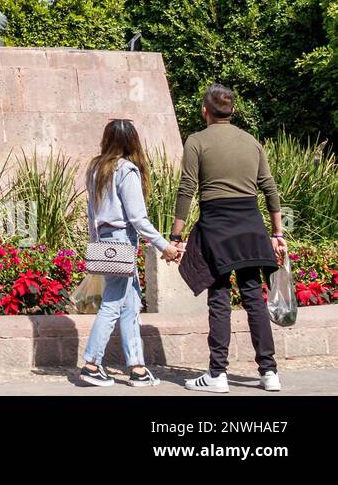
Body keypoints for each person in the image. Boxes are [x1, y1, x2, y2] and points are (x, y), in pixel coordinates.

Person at [171, 84, 285, 393]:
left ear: (204, 111)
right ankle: (269, 372)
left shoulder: (196, 141)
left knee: (219, 299)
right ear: (232, 111)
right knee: (253, 298)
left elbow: (186, 189)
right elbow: (270, 189)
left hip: (217, 227)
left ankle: (217, 374)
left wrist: (176, 235)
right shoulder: (251, 142)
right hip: (251, 225)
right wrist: (278, 233)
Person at [78, 119, 180, 387]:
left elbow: (91, 213)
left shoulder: (97, 169)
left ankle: (137, 367)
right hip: (122, 240)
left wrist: (95, 244)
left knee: (131, 303)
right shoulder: (126, 170)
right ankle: (91, 363)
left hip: (105, 239)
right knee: (113, 303)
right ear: (132, 141)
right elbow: (138, 218)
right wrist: (164, 246)